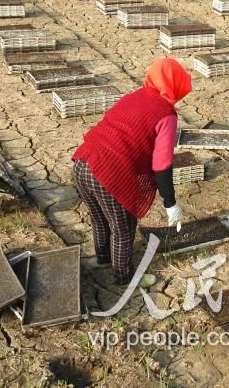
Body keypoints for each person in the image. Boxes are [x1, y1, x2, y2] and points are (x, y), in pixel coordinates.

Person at [72, 58, 191, 286]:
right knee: (123, 228)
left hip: (82, 161)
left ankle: (103, 259)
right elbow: (162, 164)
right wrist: (170, 203)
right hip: (108, 173)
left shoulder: (135, 95)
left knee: (99, 218)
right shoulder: (166, 115)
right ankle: (123, 275)